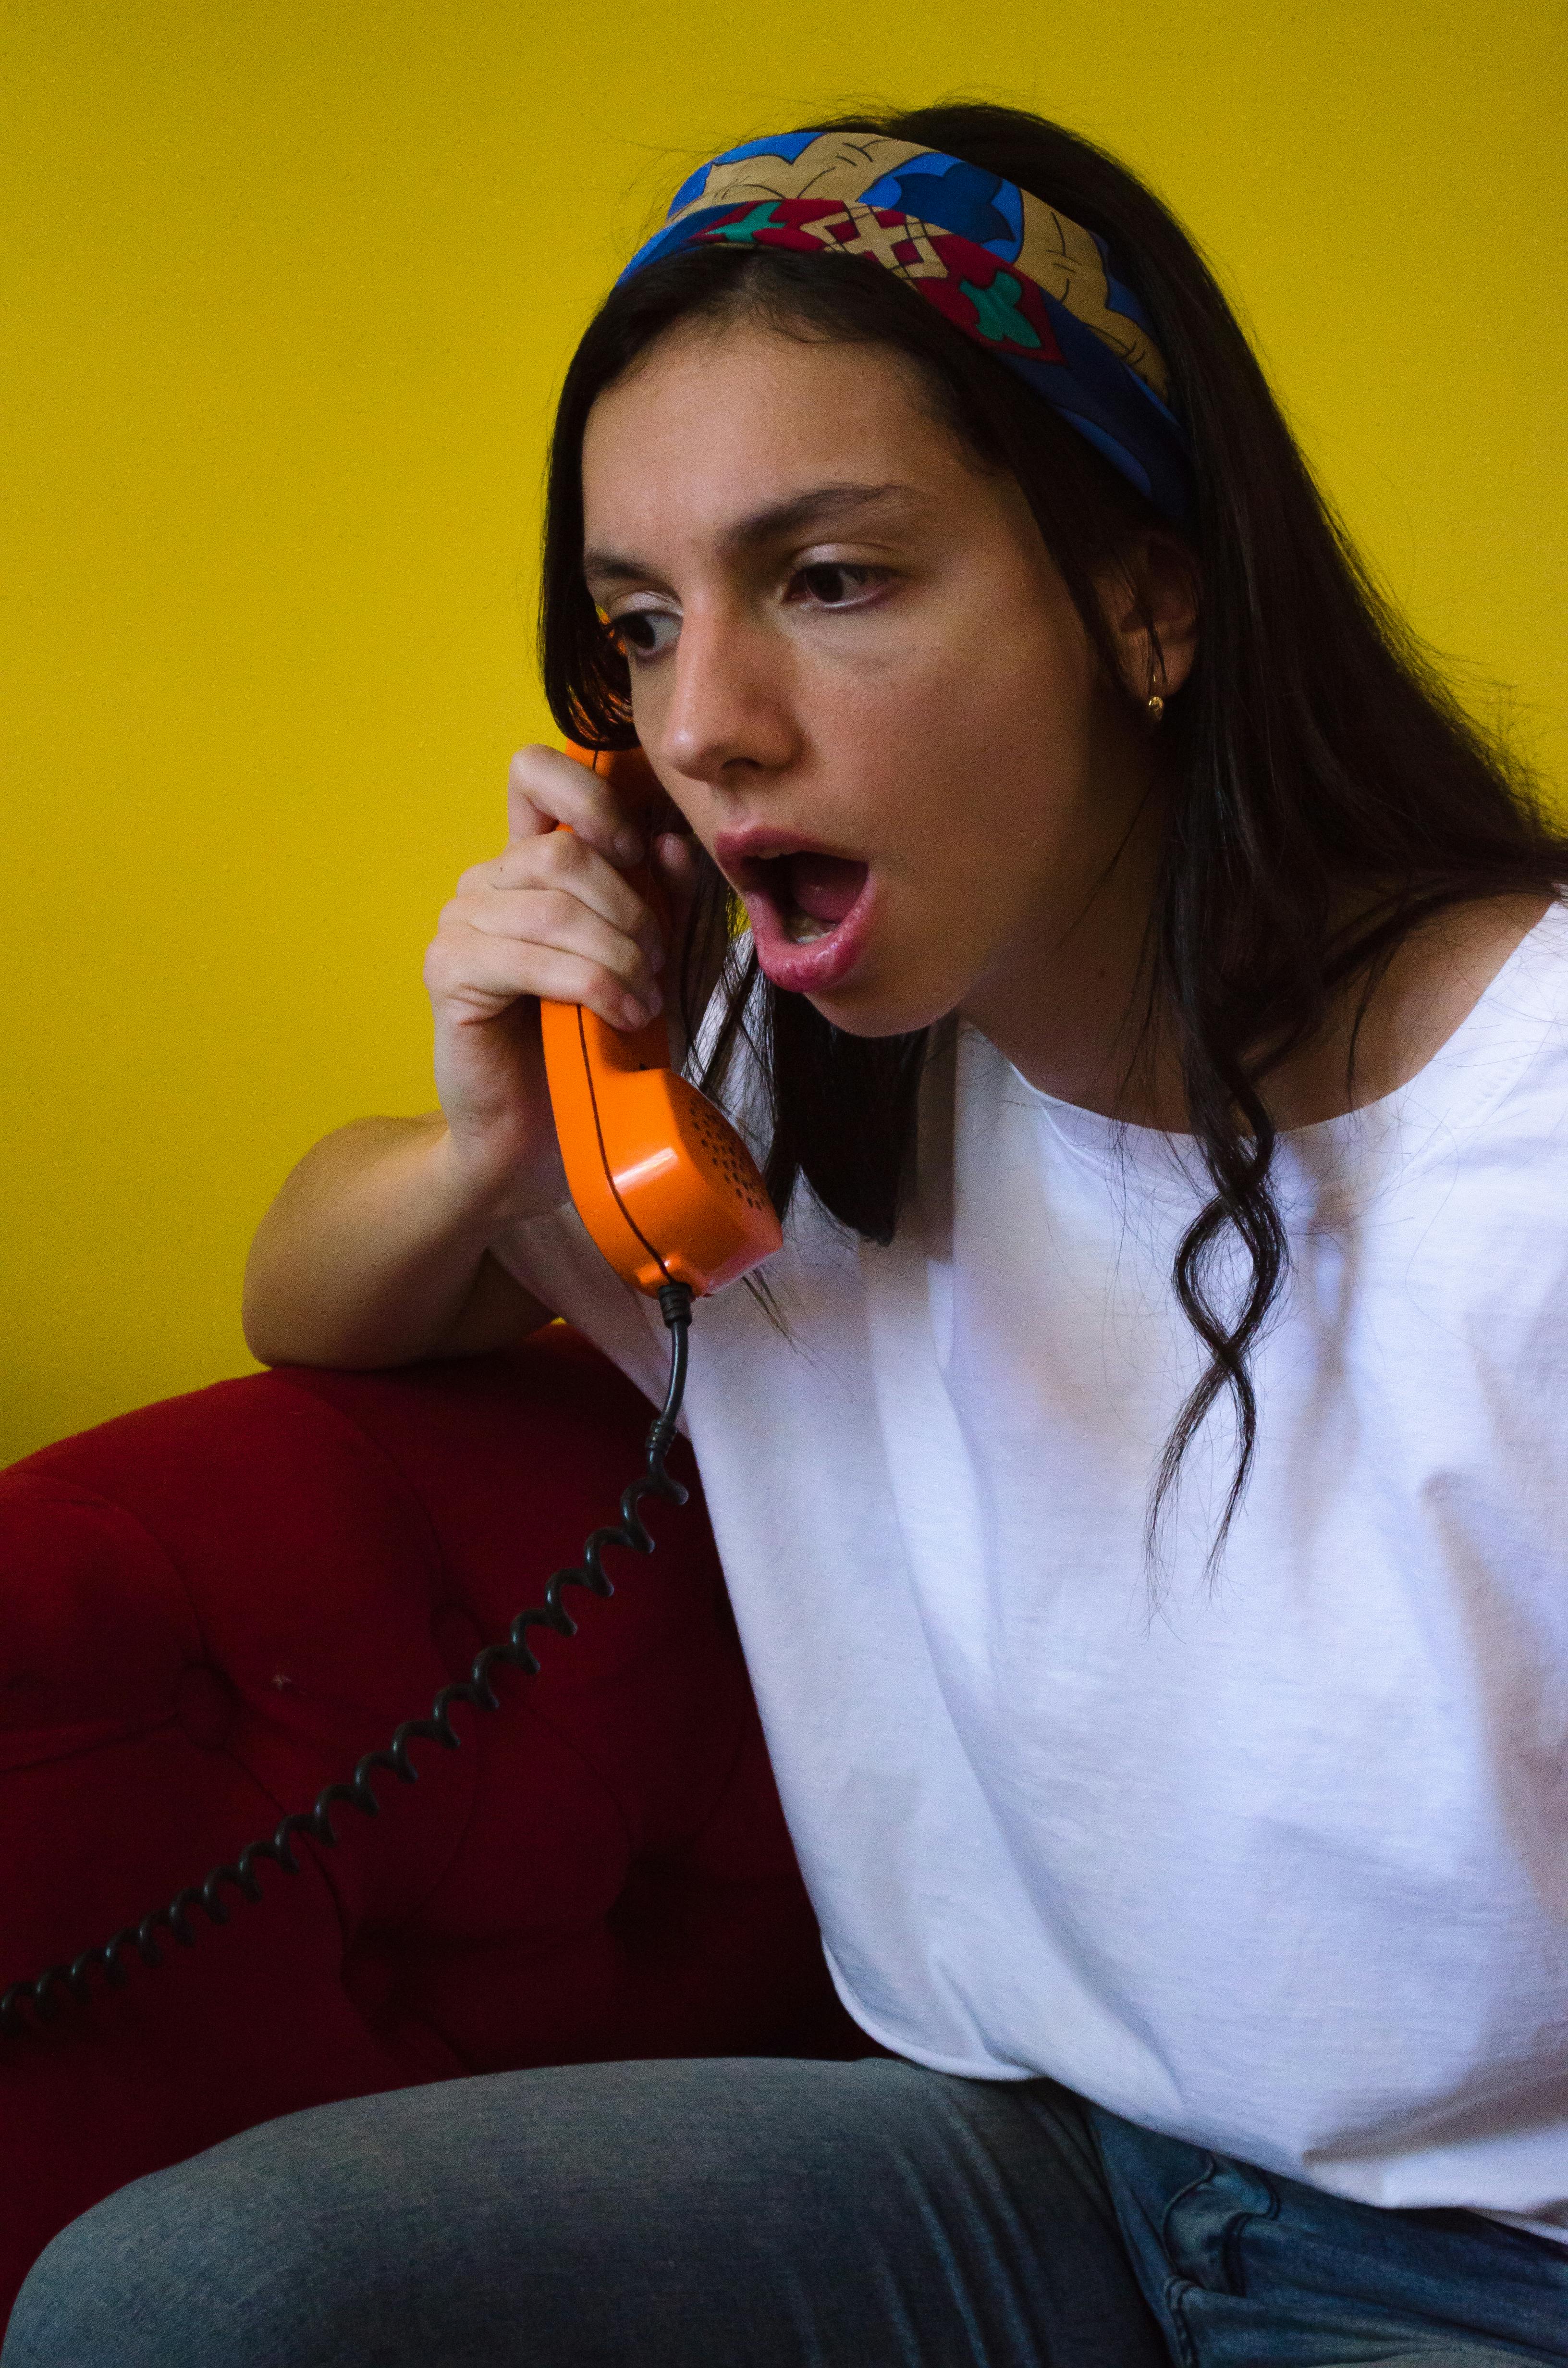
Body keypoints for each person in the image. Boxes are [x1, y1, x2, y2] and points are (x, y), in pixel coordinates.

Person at [9, 100, 1567, 2368]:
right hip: (1045, 2166)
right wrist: (492, 1145)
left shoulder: (1524, 1128)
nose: (713, 727)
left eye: (833, 580)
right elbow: (305, 1288)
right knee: (186, 2299)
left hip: (1494, 2264)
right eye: (642, 626)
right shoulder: (800, 1060)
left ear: (1148, 591)